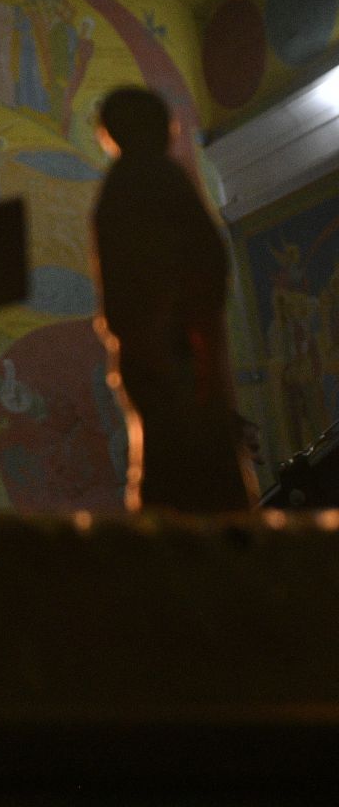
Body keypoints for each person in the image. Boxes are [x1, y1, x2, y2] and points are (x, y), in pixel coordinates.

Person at [91, 87, 256, 512]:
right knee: (202, 471)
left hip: (152, 350)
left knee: (167, 467)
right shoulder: (157, 179)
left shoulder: (119, 188)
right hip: (177, 349)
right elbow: (203, 263)